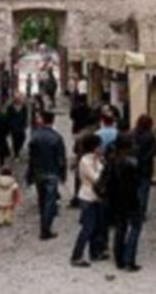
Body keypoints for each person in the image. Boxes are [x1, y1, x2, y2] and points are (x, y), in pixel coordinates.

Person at [27, 111, 67, 240]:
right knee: (50, 201)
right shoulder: (57, 137)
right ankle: (45, 229)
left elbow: (31, 158)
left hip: (39, 172)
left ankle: (44, 225)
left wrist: (30, 173)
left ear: (43, 120)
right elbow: (61, 158)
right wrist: (63, 173)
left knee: (42, 199)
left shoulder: (35, 136)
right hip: (52, 172)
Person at [106, 134, 143, 272]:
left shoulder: (112, 160)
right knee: (135, 228)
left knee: (120, 229)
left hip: (116, 200)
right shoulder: (131, 163)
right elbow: (135, 184)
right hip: (130, 200)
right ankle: (129, 259)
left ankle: (119, 258)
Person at [70, 134, 107, 267]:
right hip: (88, 197)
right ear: (94, 147)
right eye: (100, 145)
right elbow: (96, 178)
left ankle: (95, 252)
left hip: (96, 198)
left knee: (96, 227)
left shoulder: (97, 159)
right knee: (87, 227)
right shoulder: (86, 161)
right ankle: (77, 255)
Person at [131, 114, 156, 220]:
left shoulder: (132, 134)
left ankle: (133, 210)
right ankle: (141, 212)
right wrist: (145, 158)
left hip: (133, 167)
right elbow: (154, 151)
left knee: (134, 190)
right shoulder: (150, 136)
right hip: (146, 167)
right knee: (144, 191)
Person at [5, 92, 29, 160]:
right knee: (15, 139)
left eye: (19, 98)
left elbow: (25, 116)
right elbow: (8, 117)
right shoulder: (10, 107)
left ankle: (18, 148)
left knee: (22, 137)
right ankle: (16, 154)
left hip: (21, 126)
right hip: (13, 126)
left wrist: (25, 123)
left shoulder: (24, 107)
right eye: (16, 98)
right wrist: (9, 125)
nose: (18, 99)